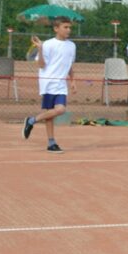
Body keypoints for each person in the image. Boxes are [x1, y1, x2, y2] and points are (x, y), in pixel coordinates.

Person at [22, 17, 77, 153]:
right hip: (48, 82)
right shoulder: (47, 44)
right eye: (65, 27)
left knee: (60, 109)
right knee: (50, 114)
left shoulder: (72, 46)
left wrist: (72, 80)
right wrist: (40, 49)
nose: (68, 30)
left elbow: (69, 65)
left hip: (61, 84)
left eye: (69, 27)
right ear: (56, 29)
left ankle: (31, 121)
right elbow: (41, 65)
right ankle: (51, 143)